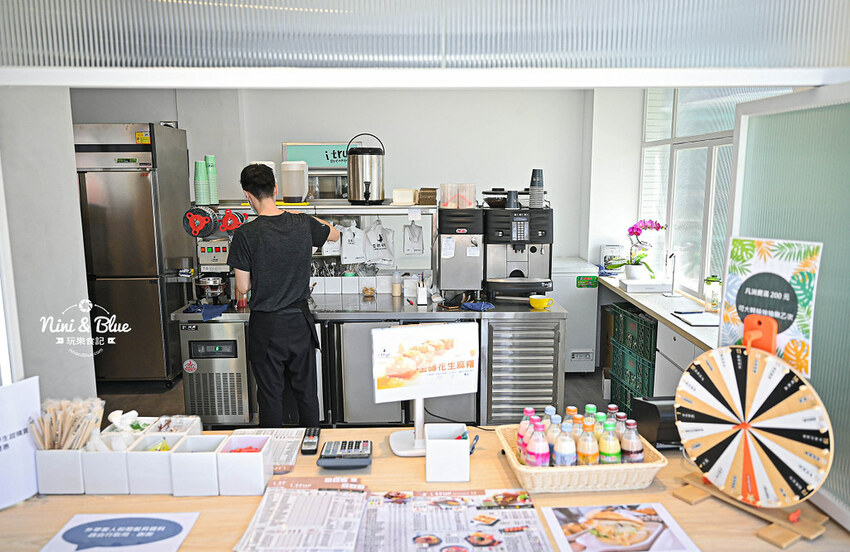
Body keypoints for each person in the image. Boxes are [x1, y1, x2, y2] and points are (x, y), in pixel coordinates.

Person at [228, 163, 340, 427]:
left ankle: (275, 448)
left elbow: (242, 287)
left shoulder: (245, 234)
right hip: (299, 323)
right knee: (306, 393)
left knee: (270, 396)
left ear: (247, 194)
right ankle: (311, 441)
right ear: (275, 189)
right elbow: (334, 234)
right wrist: (303, 217)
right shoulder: (302, 223)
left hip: (266, 325)